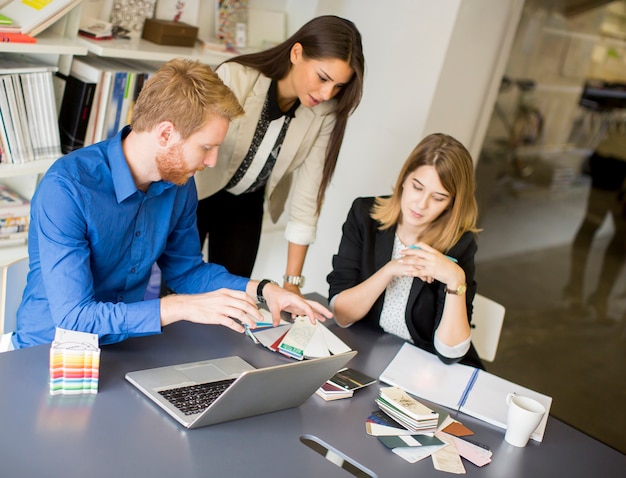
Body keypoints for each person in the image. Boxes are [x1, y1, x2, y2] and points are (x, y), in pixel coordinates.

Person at [10, 58, 332, 350]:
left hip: (126, 349)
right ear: (166, 134)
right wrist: (181, 306)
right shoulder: (66, 189)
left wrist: (263, 290)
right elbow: (75, 318)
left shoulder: (179, 184)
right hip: (46, 354)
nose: (212, 161)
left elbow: (187, 271)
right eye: (206, 147)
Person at [194, 15, 365, 295]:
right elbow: (194, 148)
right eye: (323, 78)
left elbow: (307, 197)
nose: (326, 93)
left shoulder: (324, 113)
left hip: (247, 203)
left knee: (231, 299)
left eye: (338, 86)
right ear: (297, 53)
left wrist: (292, 284)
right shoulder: (236, 77)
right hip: (197, 193)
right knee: (177, 290)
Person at [327, 133, 483, 369]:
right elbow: (342, 315)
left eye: (438, 198)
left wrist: (455, 278)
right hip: (369, 354)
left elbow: (450, 354)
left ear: (453, 202)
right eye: (417, 187)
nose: (421, 204)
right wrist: (389, 271)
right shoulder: (364, 215)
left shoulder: (459, 244)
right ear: (403, 178)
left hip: (426, 367)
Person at [563, 125, 626, 321]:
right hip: (612, 160)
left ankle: (595, 296)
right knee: (595, 228)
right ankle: (578, 293)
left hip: (611, 158)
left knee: (618, 239)